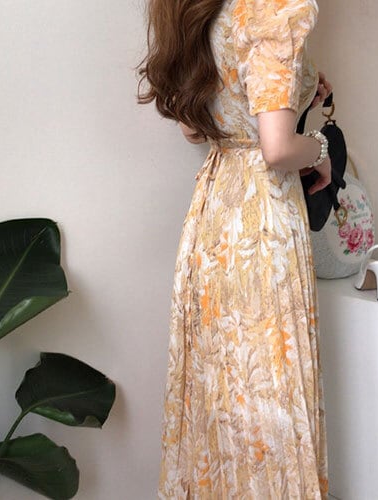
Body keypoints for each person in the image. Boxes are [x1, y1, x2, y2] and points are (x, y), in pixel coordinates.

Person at [138, 0, 332, 497]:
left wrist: (299, 85)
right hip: (262, 221)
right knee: (270, 392)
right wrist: (321, 149)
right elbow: (278, 148)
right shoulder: (277, 8)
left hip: (213, 217)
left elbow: (194, 128)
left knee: (221, 391)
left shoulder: (200, 10)